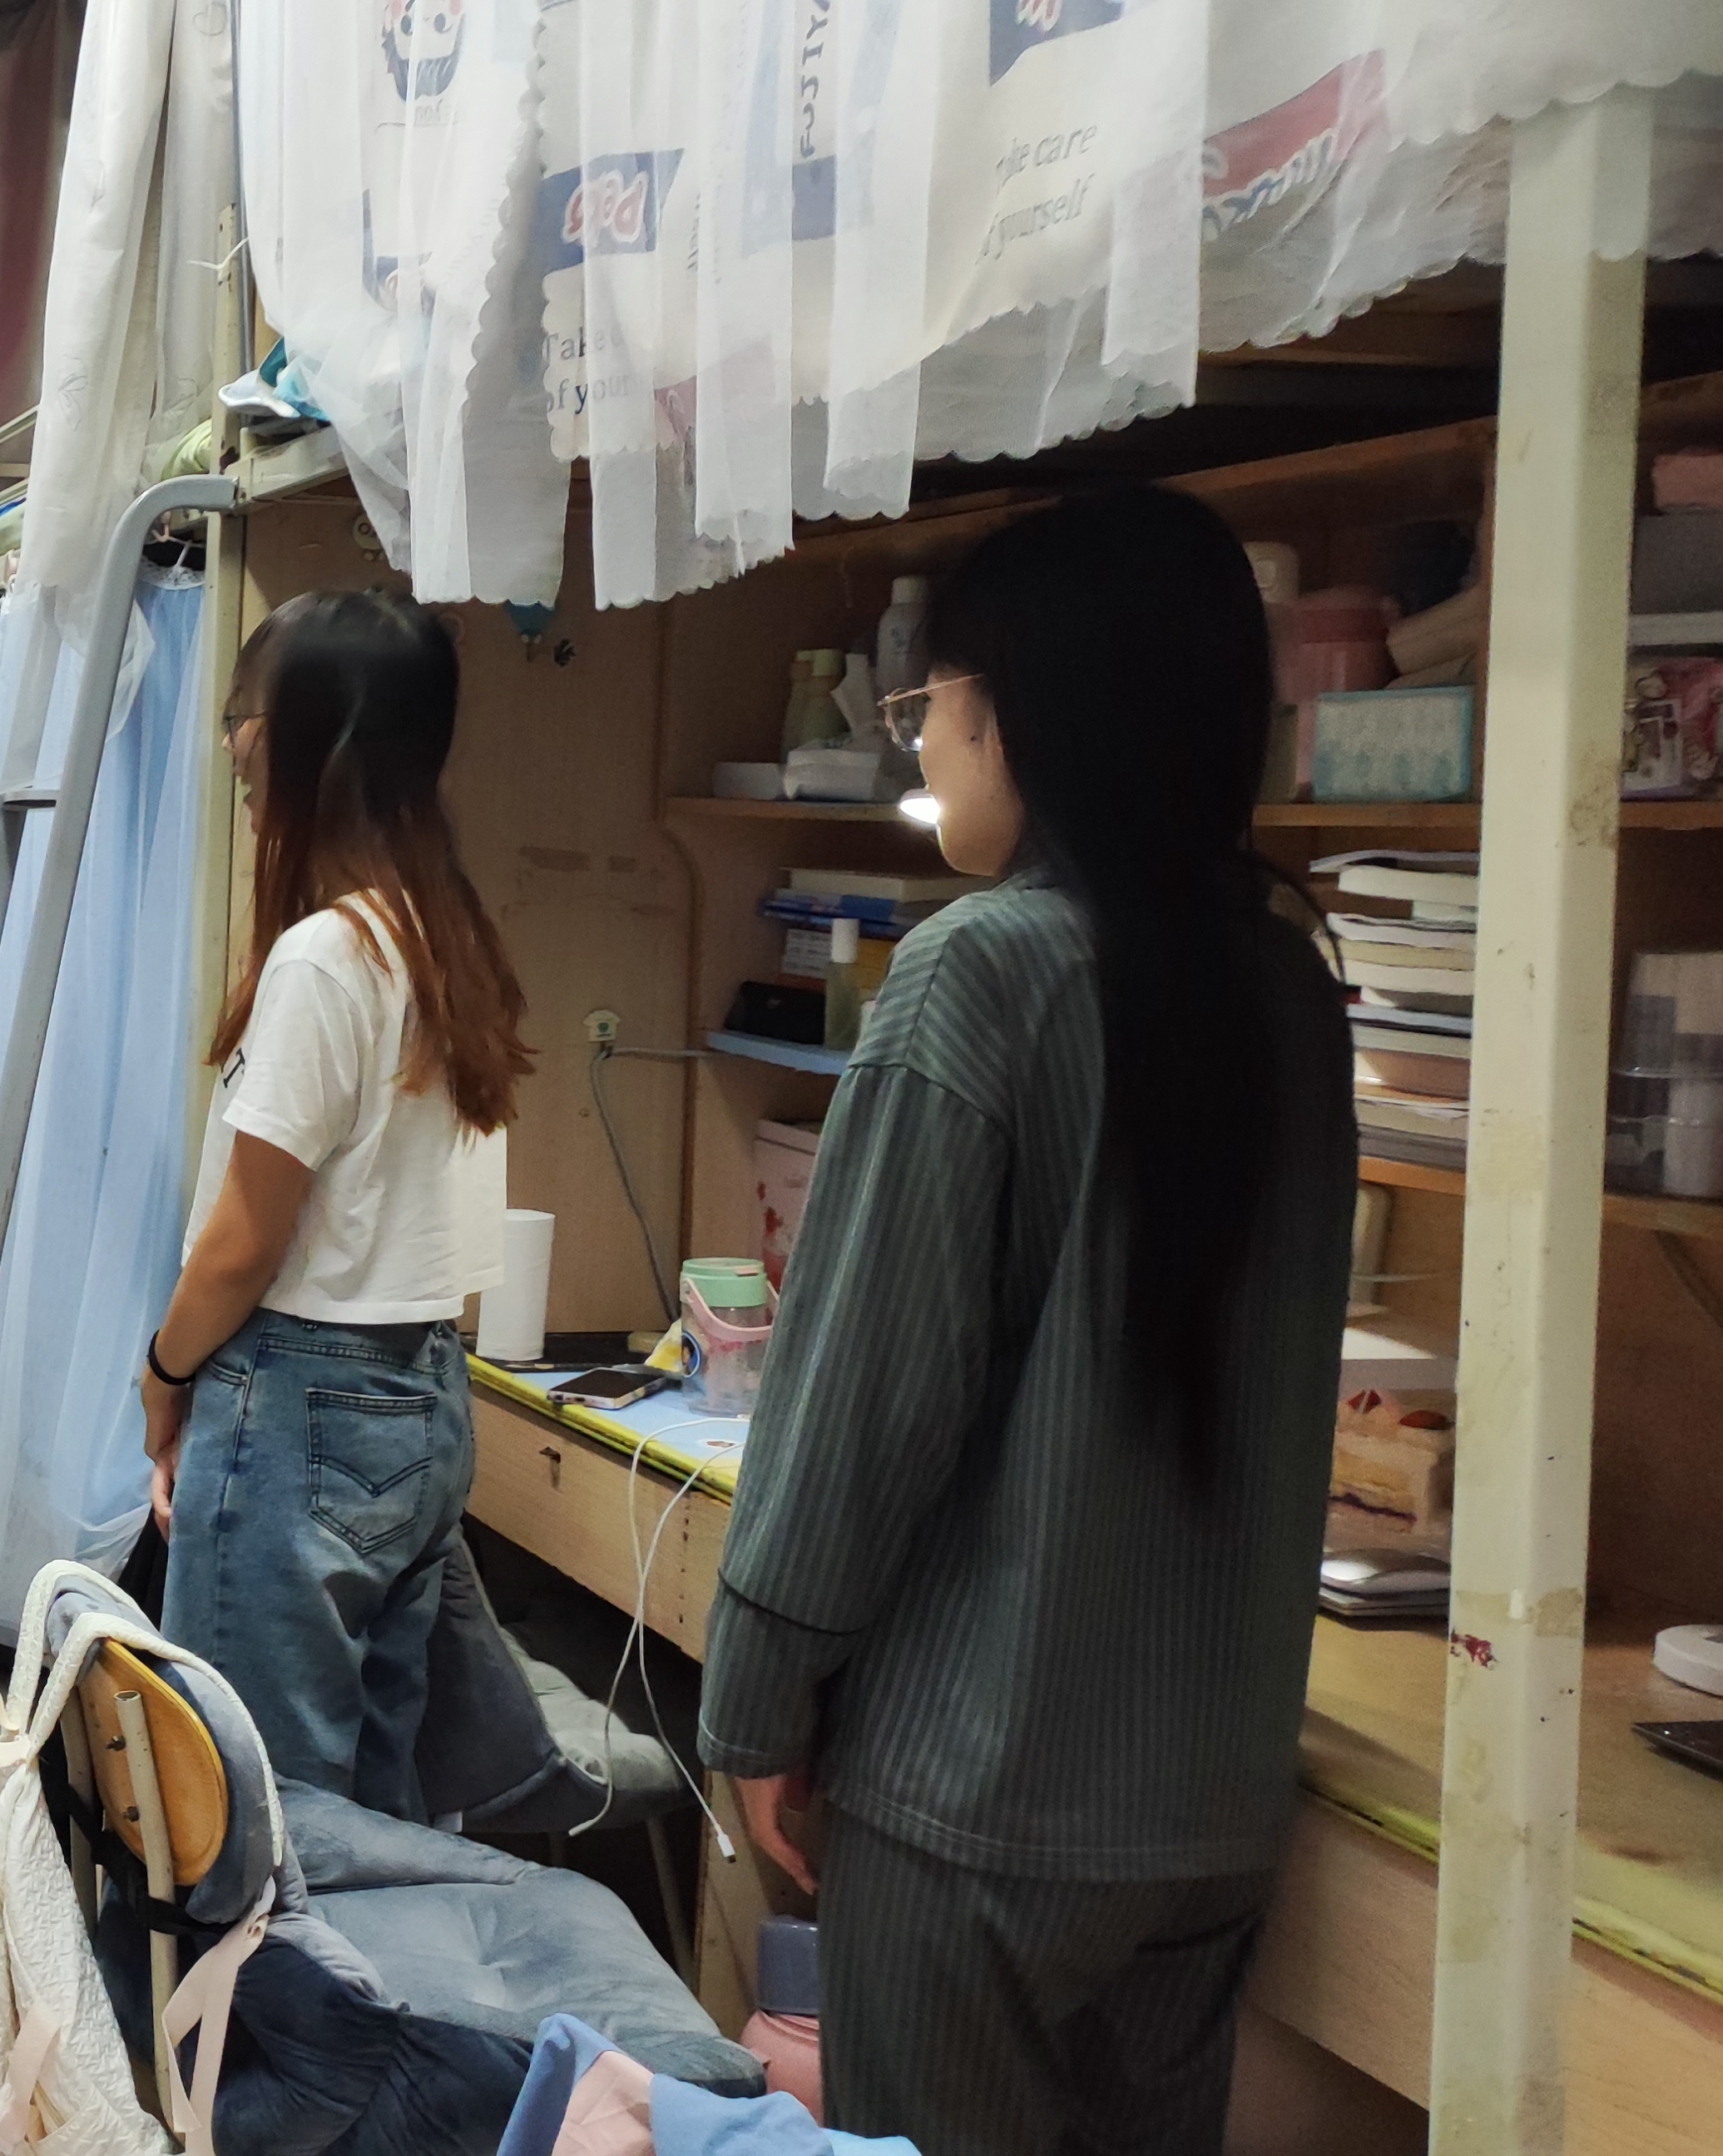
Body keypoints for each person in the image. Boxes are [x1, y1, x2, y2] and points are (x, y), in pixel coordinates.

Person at [696, 488, 1354, 2154]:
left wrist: (757, 1707)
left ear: (1031, 715)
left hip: (977, 1800)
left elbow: (854, 1417)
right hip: (1207, 1812)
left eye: (937, 698)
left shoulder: (977, 973)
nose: (928, 736)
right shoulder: (1290, 989)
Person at [140, 590, 528, 1812]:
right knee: (373, 1798)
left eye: (246, 716)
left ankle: (263, 1963)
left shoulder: (323, 956)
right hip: (421, 1391)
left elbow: (245, 1242)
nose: (234, 746)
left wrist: (163, 1374)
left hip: (299, 1393)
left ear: (323, 737)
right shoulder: (439, 934)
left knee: (258, 1805)